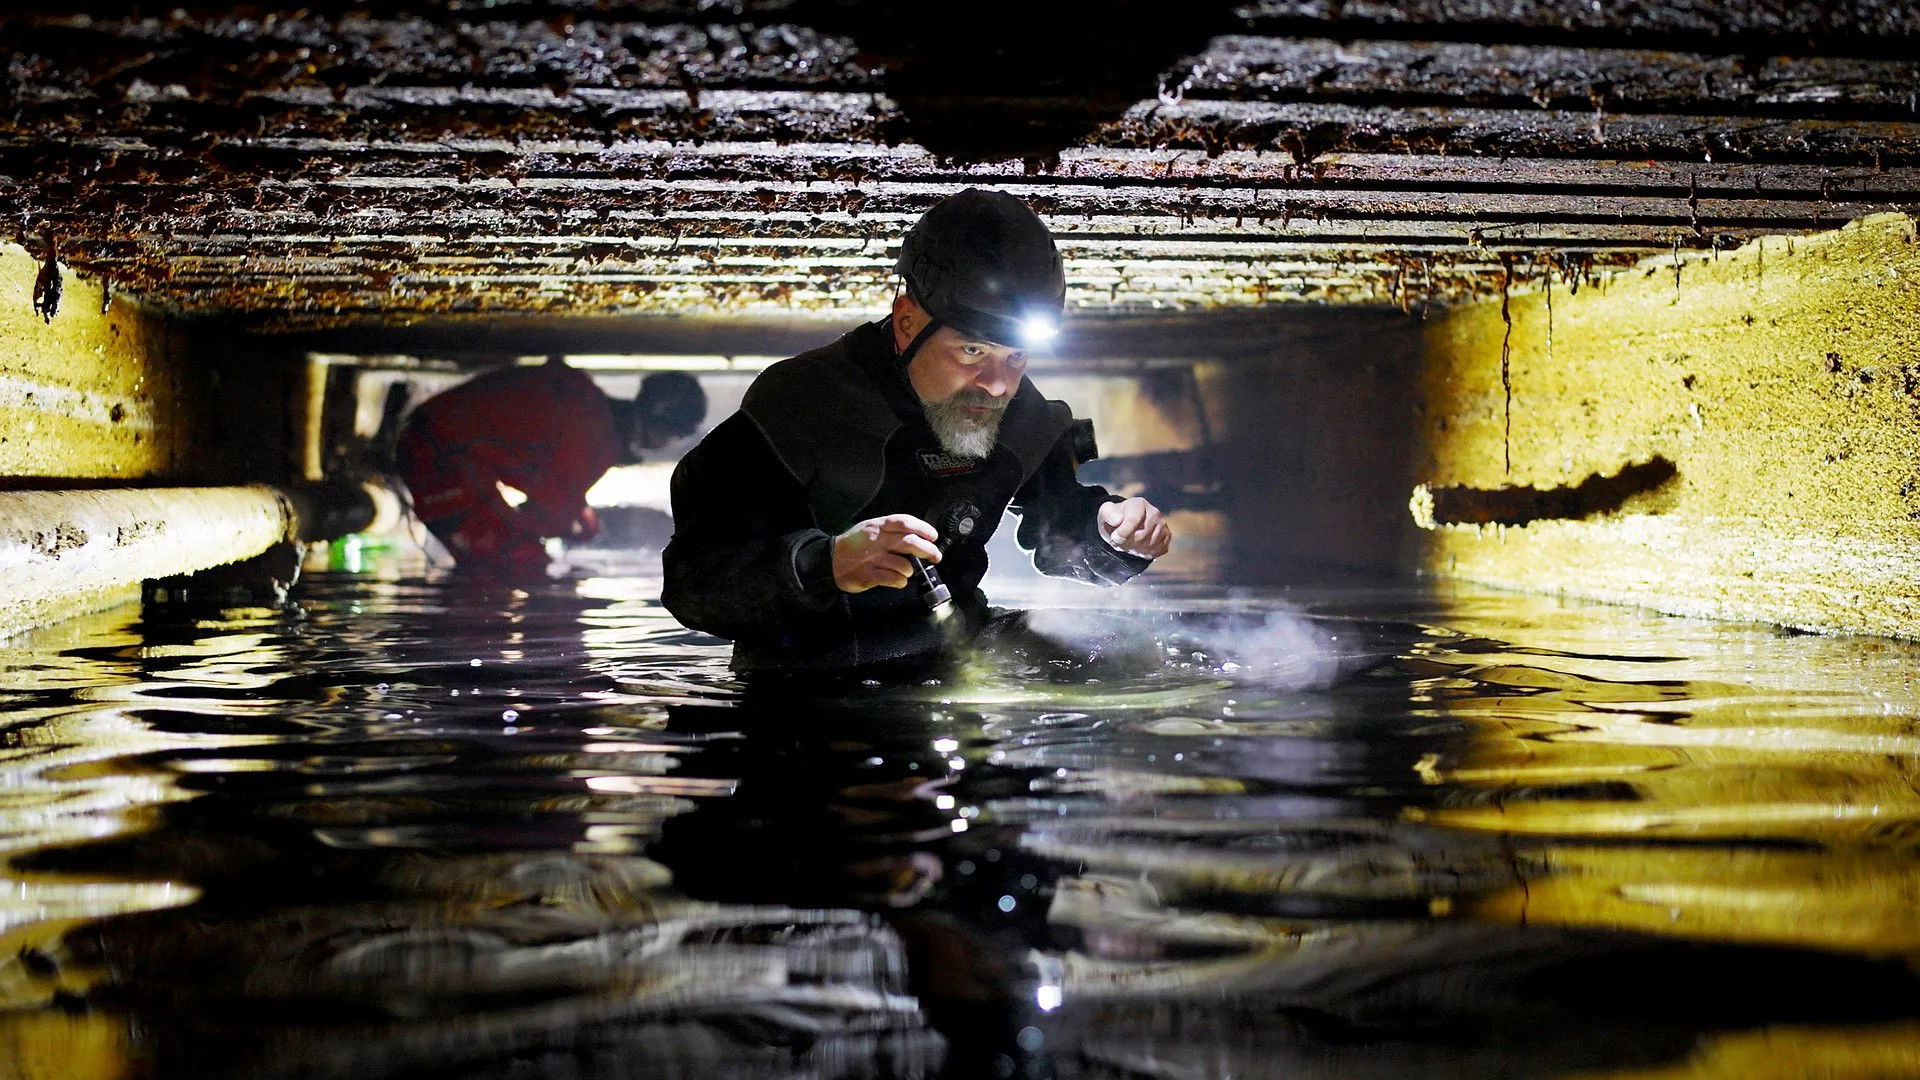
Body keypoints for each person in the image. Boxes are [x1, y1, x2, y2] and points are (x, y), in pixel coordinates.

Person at [662, 188, 1171, 671]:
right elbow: (694, 584)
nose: (997, 386)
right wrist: (828, 564)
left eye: (1015, 357)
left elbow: (1059, 530)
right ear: (907, 322)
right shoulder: (800, 405)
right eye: (972, 352)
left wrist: (1113, 531)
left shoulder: (1024, 415)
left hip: (953, 649)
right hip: (811, 675)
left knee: (1127, 647)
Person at [397, 360, 706, 570]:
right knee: (519, 563)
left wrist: (573, 514)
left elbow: (545, 489)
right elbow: (548, 513)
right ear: (665, 428)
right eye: (676, 435)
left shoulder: (587, 405)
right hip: (434, 455)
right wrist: (583, 524)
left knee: (515, 551)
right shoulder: (595, 437)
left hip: (435, 439)